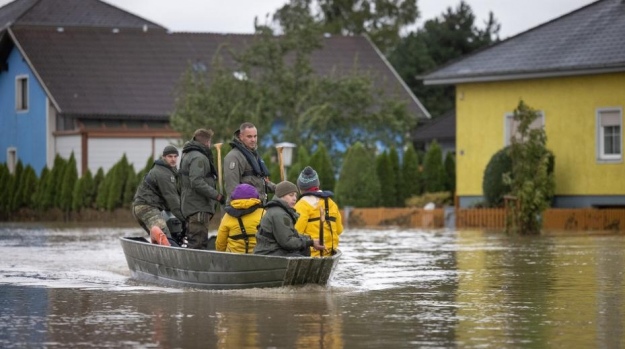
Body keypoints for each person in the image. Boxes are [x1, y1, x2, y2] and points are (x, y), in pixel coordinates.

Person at [179, 128, 226, 249]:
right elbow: (196, 181)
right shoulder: (199, 158)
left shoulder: (187, 154)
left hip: (192, 206)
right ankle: (194, 268)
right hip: (198, 207)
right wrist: (217, 195)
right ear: (207, 142)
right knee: (198, 244)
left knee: (195, 242)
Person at [254, 181, 324, 256]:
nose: (294, 198)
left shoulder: (280, 211)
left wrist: (309, 240)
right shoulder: (279, 214)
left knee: (304, 249)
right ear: (281, 196)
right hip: (269, 253)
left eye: (295, 195)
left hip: (274, 251)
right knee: (299, 256)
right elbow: (287, 242)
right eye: (291, 195)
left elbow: (292, 234)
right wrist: (310, 242)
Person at [132, 145, 184, 246]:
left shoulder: (168, 171)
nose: (173, 159)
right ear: (163, 157)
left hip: (142, 207)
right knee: (165, 238)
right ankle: (171, 259)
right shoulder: (163, 173)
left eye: (175, 156)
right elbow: (173, 201)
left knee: (159, 240)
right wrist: (185, 220)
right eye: (170, 156)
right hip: (147, 208)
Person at [294, 166, 343, 257]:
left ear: (300, 188)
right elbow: (339, 230)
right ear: (317, 185)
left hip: (309, 255)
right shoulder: (331, 203)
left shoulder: (301, 205)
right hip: (330, 253)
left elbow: (295, 234)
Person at [223, 122, 276, 204]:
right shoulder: (234, 157)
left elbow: (260, 181)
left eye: (255, 136)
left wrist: (280, 188)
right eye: (249, 136)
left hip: (258, 206)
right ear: (241, 137)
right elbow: (232, 189)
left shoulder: (253, 155)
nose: (253, 140)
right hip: (244, 209)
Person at [215, 183, 264, 253]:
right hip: (259, 259)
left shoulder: (227, 216)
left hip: (232, 260)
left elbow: (220, 243)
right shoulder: (263, 213)